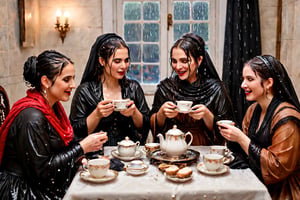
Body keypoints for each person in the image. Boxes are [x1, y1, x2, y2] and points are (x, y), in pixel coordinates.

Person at [0, 50, 108, 199]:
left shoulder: (53, 107)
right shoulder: (32, 117)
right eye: (66, 79)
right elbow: (43, 170)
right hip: (22, 191)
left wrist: (83, 157)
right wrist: (82, 147)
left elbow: (57, 152)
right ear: (45, 81)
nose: (73, 85)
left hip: (39, 184)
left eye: (73, 79)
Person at [218, 55, 300, 200]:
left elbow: (278, 168)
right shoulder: (253, 110)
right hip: (256, 181)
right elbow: (243, 155)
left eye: (250, 79)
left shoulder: (287, 119)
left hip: (283, 191)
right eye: (243, 79)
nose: (243, 85)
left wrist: (241, 138)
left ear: (268, 83)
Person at [150, 33, 234, 145]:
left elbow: (227, 130)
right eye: (174, 61)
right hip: (172, 150)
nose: (178, 67)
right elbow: (152, 126)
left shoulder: (215, 89)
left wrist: (207, 115)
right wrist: (161, 114)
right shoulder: (166, 88)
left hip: (205, 151)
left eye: (184, 61)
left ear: (199, 60)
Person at [70, 33, 150, 148]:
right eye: (117, 61)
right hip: (96, 157)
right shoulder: (85, 91)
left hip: (130, 155)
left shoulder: (133, 88)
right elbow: (76, 131)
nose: (123, 66)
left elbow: (146, 126)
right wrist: (96, 114)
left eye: (126, 60)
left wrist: (134, 113)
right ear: (102, 61)